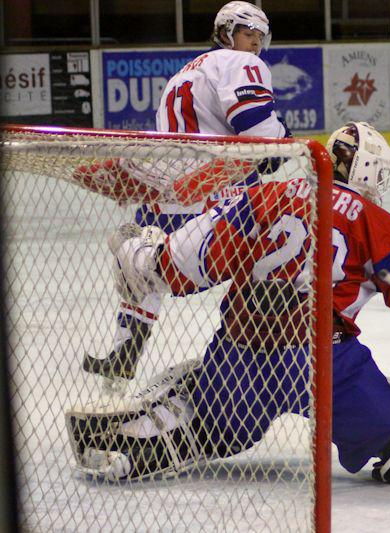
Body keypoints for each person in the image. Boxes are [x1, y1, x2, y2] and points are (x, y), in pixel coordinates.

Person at [67, 122, 390, 499]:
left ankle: (134, 439)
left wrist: (137, 251)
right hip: (325, 364)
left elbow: (180, 265)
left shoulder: (256, 197)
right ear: (366, 169)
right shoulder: (371, 218)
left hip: (237, 359)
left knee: (207, 413)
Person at [82, 1, 290, 386]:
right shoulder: (239, 63)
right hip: (216, 187)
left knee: (139, 266)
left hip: (168, 189)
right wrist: (280, 141)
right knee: (271, 257)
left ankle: (122, 357)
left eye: (261, 38)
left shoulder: (184, 72)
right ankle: (266, 358)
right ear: (227, 33)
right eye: (249, 35)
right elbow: (256, 130)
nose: (256, 45)